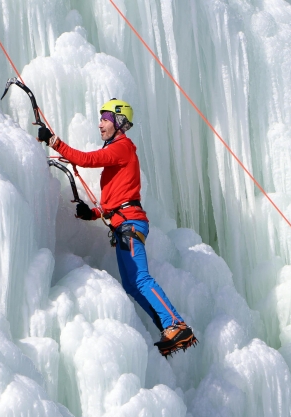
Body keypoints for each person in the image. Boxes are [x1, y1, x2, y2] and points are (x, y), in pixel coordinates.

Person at [37, 99, 197, 357]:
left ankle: (176, 324)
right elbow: (115, 201)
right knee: (133, 285)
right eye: (100, 119)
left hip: (130, 224)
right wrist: (93, 213)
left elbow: (87, 159)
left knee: (141, 278)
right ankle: (166, 328)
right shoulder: (118, 152)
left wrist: (54, 141)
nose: (99, 123)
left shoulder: (122, 147)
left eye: (105, 119)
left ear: (118, 122)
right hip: (123, 222)